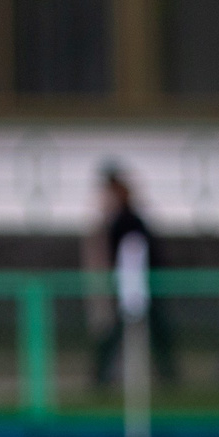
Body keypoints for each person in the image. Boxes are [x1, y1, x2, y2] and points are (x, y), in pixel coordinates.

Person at [86, 165, 176, 390]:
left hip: (140, 283)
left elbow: (136, 254)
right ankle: (101, 376)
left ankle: (167, 375)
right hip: (131, 284)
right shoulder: (121, 220)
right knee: (120, 330)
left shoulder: (129, 221)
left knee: (153, 330)